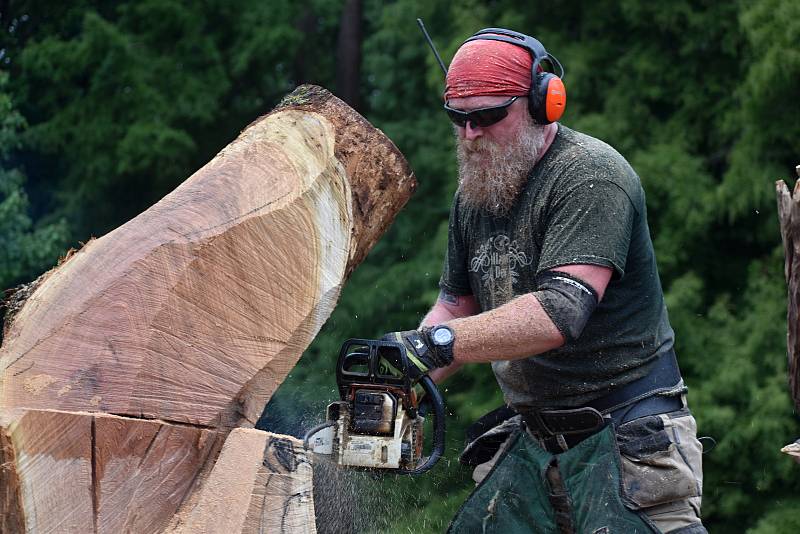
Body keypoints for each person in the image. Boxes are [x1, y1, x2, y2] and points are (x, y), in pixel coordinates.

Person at [380, 28, 706, 533]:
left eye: (488, 116)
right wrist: (402, 382)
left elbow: (560, 311)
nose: (471, 135)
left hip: (626, 438)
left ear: (543, 103)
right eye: (459, 118)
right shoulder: (476, 194)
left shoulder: (590, 176)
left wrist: (437, 344)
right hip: (533, 442)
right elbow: (457, 307)